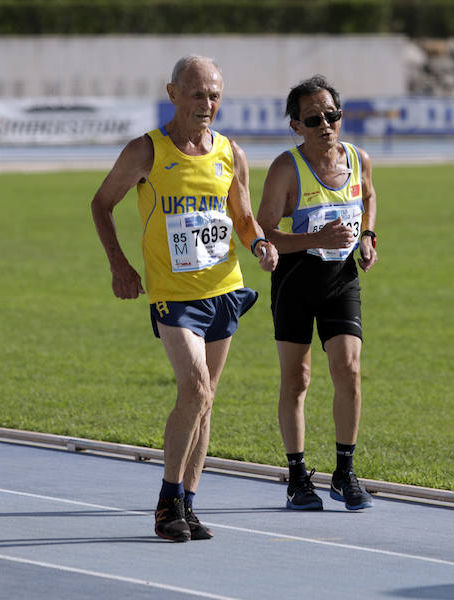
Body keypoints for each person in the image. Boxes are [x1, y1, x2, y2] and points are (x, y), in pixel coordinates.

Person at [91, 55, 278, 541]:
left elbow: (242, 215)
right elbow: (102, 203)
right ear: (172, 93)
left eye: (214, 94)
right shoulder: (147, 151)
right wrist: (119, 264)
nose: (207, 103)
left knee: (206, 400)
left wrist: (258, 242)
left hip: (224, 288)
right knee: (195, 389)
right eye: (197, 93)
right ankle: (165, 502)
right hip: (174, 296)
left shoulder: (230, 152)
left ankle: (188, 505)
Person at [256, 75, 378, 511]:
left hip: (341, 278)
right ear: (296, 125)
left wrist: (367, 236)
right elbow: (265, 231)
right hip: (295, 281)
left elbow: (369, 195)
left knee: (348, 369)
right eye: (314, 119)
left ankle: (345, 474)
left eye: (332, 115)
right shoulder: (285, 169)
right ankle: (296, 477)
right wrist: (314, 240)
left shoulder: (357, 158)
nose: (325, 125)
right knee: (298, 379)